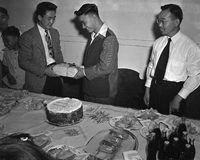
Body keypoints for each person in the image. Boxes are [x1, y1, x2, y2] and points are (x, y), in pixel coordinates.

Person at [143, 4, 200, 116]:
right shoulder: (158, 43)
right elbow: (151, 66)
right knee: (151, 125)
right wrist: (147, 89)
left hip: (173, 93)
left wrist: (179, 98)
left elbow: (196, 76)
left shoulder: (190, 47)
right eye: (158, 20)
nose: (159, 24)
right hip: (154, 89)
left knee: (171, 128)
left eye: (163, 21)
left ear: (176, 22)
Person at [74, 4, 119, 105]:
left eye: (84, 22)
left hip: (103, 93)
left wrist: (84, 72)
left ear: (94, 16)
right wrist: (80, 68)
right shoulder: (93, 35)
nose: (82, 26)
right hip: (89, 89)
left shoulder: (109, 38)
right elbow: (92, 60)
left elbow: (106, 67)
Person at [18, 2, 64, 96]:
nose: (52, 22)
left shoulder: (55, 33)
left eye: (54, 18)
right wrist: (44, 70)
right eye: (49, 18)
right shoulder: (27, 36)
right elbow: (23, 61)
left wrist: (63, 68)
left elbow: (58, 53)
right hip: (39, 80)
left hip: (56, 77)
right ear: (39, 17)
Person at [0, 7, 9, 87]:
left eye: (3, 17)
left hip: (13, 69)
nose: (0, 21)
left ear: (7, 17)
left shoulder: (18, 34)